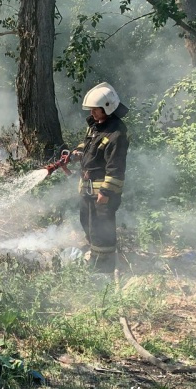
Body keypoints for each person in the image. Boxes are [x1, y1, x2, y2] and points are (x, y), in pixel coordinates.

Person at [69, 82, 129, 273]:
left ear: (107, 108)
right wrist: (78, 152)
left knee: (102, 229)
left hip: (102, 193)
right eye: (92, 110)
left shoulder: (117, 134)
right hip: (87, 189)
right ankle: (95, 256)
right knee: (87, 223)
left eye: (95, 110)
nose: (92, 113)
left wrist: (106, 191)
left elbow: (116, 167)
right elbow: (88, 145)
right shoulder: (95, 126)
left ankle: (104, 268)